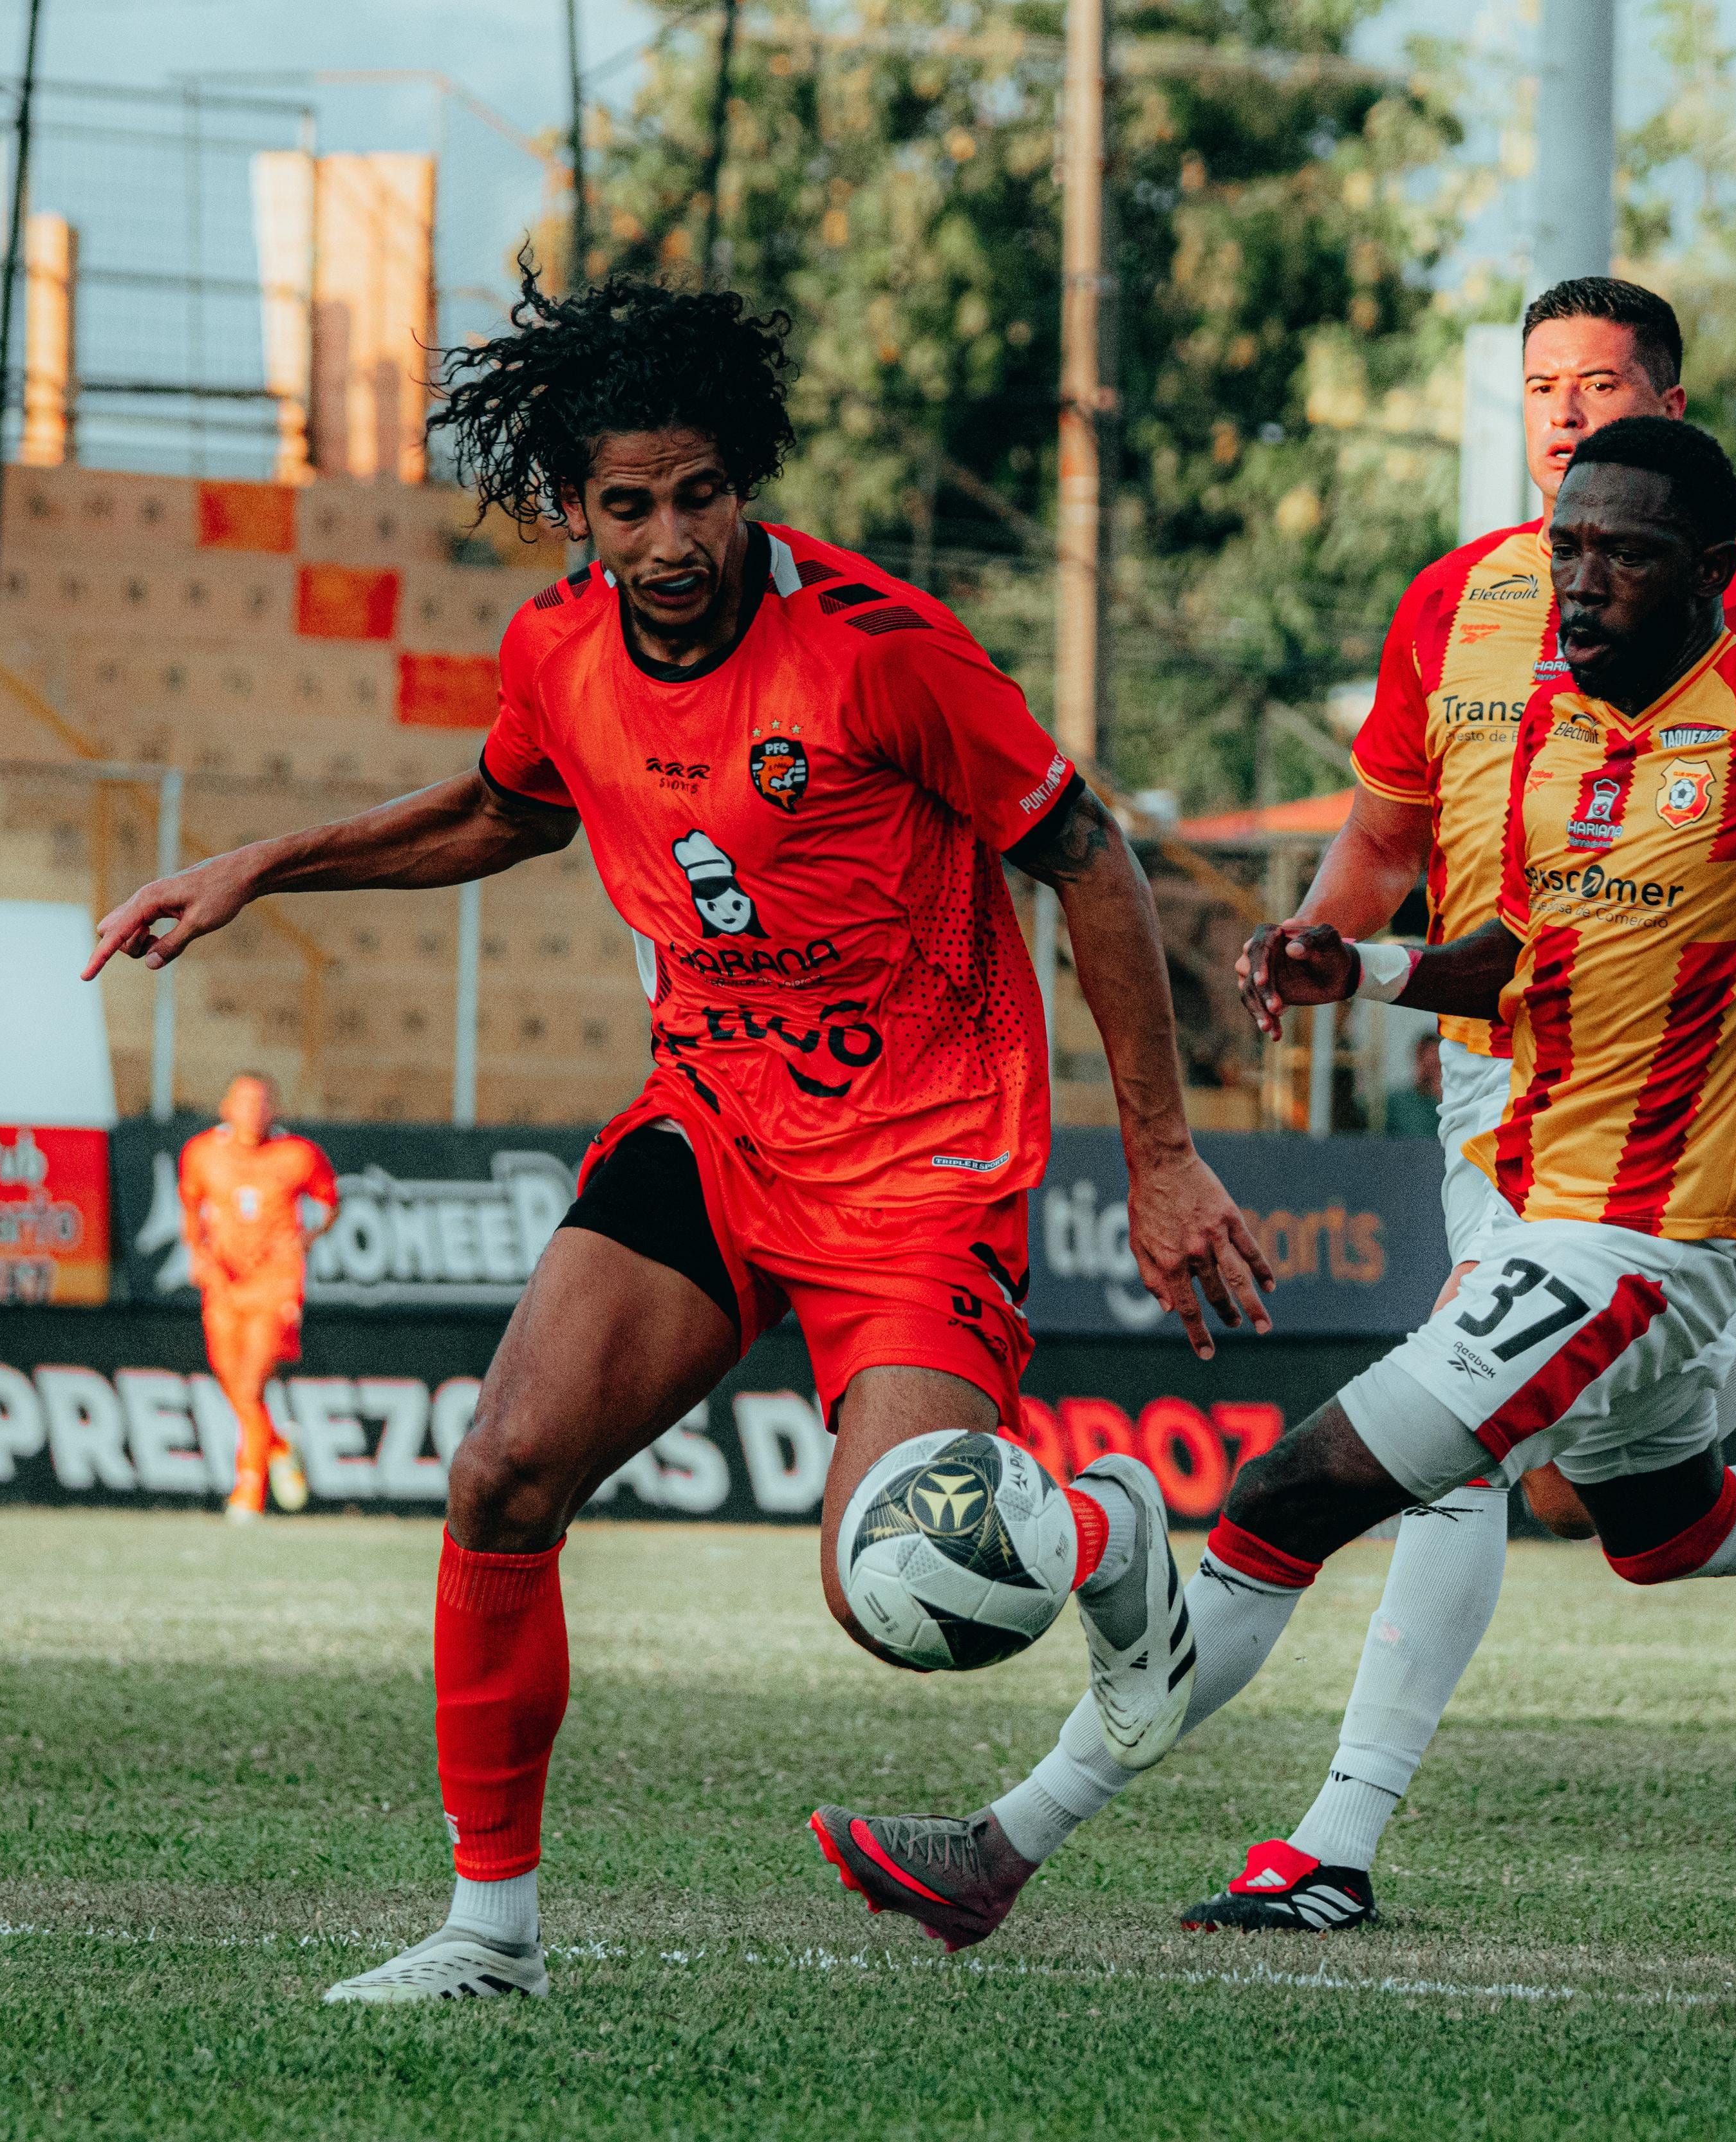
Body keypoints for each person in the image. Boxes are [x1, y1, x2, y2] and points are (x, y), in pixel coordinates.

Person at [809, 417, 1736, 1953]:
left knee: (1282, 1494)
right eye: (1566, 544)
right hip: (1560, 1203)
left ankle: (1004, 1845)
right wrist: (1359, 962)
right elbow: (1510, 957)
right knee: (1664, 1522)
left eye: (1625, 554)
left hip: (1643, 1242)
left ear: (1714, 571)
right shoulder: (1547, 730)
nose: (1578, 582)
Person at [82, 272, 1274, 2004]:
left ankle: (1106, 1536)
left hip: (918, 1170)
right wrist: (266, 863)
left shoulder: (877, 653)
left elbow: (1090, 857)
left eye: (700, 495)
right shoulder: (556, 647)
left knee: (895, 1593)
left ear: (747, 482)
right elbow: (508, 807)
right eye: (626, 504)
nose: (667, 541)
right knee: (500, 1474)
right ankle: (492, 1934)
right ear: (573, 505)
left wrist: (1160, 1156)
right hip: (712, 1124)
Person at [1184, 275, 1736, 1932]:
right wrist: (1326, 947)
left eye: (1600, 384)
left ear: (1662, 404)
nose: (1566, 412)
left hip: (1666, 1077)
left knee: (1459, 1433)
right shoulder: (1450, 600)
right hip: (1485, 1045)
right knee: (1650, 1511)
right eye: (1539, 385)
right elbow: (1387, 835)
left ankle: (1332, 1842)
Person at [178, 1074, 337, 1522]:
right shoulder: (201, 1152)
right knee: (229, 1377)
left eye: (261, 1102)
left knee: (251, 1383)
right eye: (244, 1102)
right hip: (225, 1282)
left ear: (275, 1110)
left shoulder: (299, 1155)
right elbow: (192, 1209)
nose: (252, 1111)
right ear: (226, 1106)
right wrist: (196, 1253)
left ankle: (248, 1490)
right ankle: (279, 1444)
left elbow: (329, 1201)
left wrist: (309, 1235)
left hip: (276, 1281)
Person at [1383, 1032, 1444, 1139]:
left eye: (1435, 1065)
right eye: (1425, 1062)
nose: (1430, 1072)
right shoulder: (1397, 1102)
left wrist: (1441, 1098)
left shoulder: (1449, 1104)